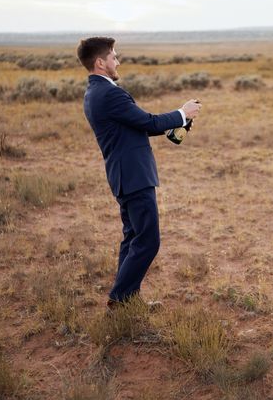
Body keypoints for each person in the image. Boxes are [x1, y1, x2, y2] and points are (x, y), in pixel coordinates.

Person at [77, 37, 201, 307]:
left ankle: (127, 300)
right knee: (148, 241)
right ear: (100, 62)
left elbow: (140, 126)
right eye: (113, 57)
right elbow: (146, 120)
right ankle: (119, 299)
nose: (117, 61)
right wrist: (182, 113)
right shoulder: (109, 93)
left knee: (133, 237)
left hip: (124, 176)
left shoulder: (95, 92)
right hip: (133, 177)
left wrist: (174, 125)